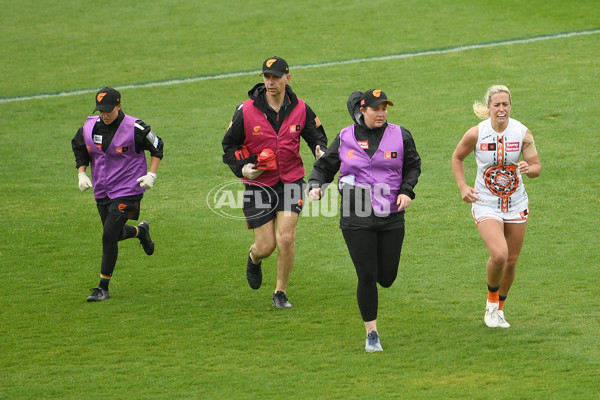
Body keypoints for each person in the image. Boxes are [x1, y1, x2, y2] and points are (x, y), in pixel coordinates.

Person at [308, 89, 421, 352]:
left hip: (391, 214)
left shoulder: (401, 135)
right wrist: (316, 185)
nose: (381, 113)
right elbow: (325, 165)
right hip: (355, 214)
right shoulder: (345, 137)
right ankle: (372, 333)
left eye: (384, 108)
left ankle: (378, 291)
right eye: (375, 109)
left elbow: (413, 165)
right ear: (363, 110)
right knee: (367, 275)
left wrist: (406, 190)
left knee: (387, 277)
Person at [221, 57, 328, 309]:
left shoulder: (301, 108)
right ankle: (254, 257)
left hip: (291, 181)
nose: (270, 82)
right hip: (259, 186)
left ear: (287, 79)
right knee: (267, 246)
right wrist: (244, 167)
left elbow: (317, 137)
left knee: (287, 238)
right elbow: (229, 147)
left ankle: (280, 292)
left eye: (275, 77)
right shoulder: (246, 110)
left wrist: (320, 152)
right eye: (266, 77)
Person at [451, 85, 541, 328]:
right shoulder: (476, 133)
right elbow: (457, 157)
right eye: (497, 105)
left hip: (516, 203)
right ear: (489, 107)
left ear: (510, 106)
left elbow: (536, 167)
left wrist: (527, 168)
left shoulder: (522, 133)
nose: (501, 109)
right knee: (499, 255)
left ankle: (499, 309)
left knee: (511, 260)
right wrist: (463, 187)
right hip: (486, 203)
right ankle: (491, 303)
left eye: (505, 104)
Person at [72, 87, 164, 302]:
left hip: (128, 190)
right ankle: (140, 232)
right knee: (114, 233)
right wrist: (82, 174)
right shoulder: (89, 127)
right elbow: (79, 148)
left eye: (108, 110)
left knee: (107, 236)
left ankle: (102, 288)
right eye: (100, 111)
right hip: (102, 190)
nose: (104, 115)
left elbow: (158, 147)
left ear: (119, 106)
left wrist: (151, 174)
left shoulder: (135, 127)